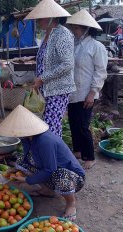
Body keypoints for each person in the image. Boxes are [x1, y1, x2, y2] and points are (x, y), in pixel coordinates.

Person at [0, 105, 85, 221]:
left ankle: (71, 203)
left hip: (73, 177)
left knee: (59, 175)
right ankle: (47, 190)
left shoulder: (45, 141)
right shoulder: (27, 138)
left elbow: (50, 169)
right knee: (20, 163)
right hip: (52, 168)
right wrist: (16, 170)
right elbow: (27, 158)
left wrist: (27, 180)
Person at [25, 0, 75, 137]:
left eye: (40, 18)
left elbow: (67, 64)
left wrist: (43, 78)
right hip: (45, 89)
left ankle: (52, 156)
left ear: (51, 17)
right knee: (41, 125)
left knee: (51, 127)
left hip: (57, 90)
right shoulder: (46, 35)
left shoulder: (62, 34)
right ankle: (43, 156)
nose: (37, 21)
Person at [66, 10, 108, 169]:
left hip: (86, 92)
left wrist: (92, 92)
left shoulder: (97, 47)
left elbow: (100, 71)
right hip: (73, 91)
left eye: (76, 28)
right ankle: (77, 150)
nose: (74, 31)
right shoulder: (75, 45)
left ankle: (89, 156)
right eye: (73, 28)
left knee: (83, 126)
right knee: (73, 123)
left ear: (86, 29)